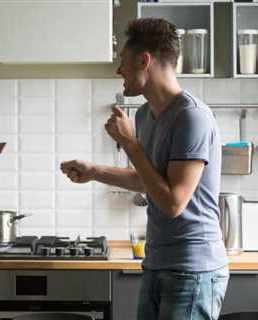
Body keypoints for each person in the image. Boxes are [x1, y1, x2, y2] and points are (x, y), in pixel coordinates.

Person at [61, 18, 228, 320]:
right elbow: (148, 181)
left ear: (144, 60)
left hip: (192, 269)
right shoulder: (145, 115)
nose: (118, 71)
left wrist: (130, 145)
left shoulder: (192, 118)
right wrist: (94, 171)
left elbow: (174, 202)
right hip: (157, 262)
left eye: (123, 62)